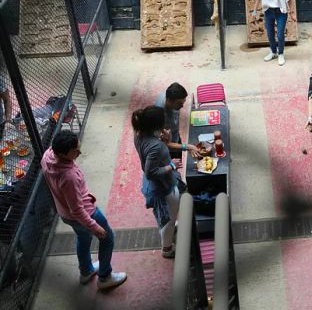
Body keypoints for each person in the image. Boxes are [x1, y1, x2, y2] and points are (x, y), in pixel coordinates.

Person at [41, 130, 127, 290]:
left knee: (83, 238)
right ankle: (105, 277)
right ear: (61, 153)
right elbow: (77, 210)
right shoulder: (69, 177)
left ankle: (86, 270)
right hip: (86, 213)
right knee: (107, 238)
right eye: (75, 151)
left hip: (64, 213)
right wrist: (95, 226)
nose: (79, 152)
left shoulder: (47, 156)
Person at [132, 106, 180, 258]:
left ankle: (169, 231)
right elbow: (151, 172)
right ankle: (167, 248)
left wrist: (164, 140)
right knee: (169, 220)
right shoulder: (156, 146)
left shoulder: (139, 135)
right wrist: (171, 166)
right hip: (164, 187)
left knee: (166, 217)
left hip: (154, 186)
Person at [252, 0, 297, 66]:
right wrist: (254, 10)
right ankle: (273, 52)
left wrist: (292, 13)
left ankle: (280, 53)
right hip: (268, 11)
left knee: (280, 34)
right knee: (270, 34)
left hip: (280, 11)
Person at [154, 83, 197, 161]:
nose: (182, 106)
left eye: (183, 102)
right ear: (169, 100)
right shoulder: (159, 116)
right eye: (179, 103)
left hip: (175, 136)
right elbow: (165, 143)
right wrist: (188, 147)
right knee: (173, 168)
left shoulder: (169, 95)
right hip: (166, 150)